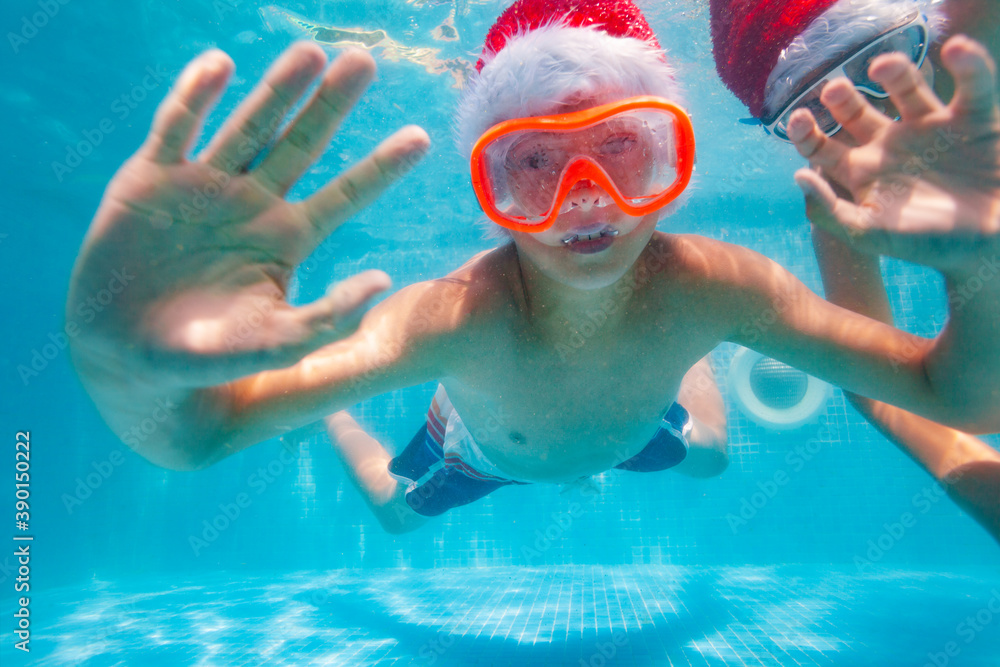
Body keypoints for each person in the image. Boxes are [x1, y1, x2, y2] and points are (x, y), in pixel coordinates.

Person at [68, 0, 1000, 537]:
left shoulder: (718, 285)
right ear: (489, 186)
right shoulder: (453, 317)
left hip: (632, 420)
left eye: (623, 152)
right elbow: (192, 438)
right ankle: (336, 421)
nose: (586, 200)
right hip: (482, 449)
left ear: (675, 168)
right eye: (536, 165)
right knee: (396, 515)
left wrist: (983, 269)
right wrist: (122, 360)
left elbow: (948, 396)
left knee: (713, 457)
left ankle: (686, 362)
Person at [710, 0, 1000, 543]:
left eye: (880, 60)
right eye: (819, 105)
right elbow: (891, 393)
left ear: (920, 24)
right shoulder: (843, 199)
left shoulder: (981, 26)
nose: (878, 115)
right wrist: (980, 272)